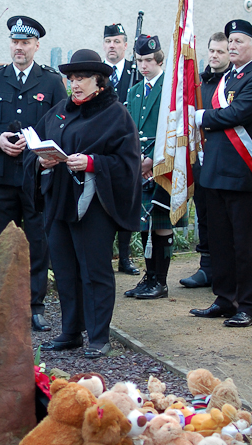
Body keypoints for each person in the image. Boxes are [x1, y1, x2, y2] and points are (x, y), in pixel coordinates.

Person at [23, 49, 142, 358]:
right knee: (63, 269)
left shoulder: (116, 115)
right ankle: (71, 332)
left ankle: (99, 336)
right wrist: (41, 163)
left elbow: (128, 163)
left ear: (99, 82)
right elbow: (34, 146)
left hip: (94, 207)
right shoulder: (59, 111)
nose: (74, 84)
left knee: (95, 271)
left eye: (81, 79)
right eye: (71, 78)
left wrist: (92, 162)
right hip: (59, 201)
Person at [0, 16, 67, 332]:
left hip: (37, 176)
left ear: (36, 45)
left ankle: (34, 306)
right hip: (1, 176)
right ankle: (2, 304)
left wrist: (39, 141)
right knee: (3, 242)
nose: (19, 48)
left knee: (38, 242)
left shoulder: (51, 82)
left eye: (25, 43)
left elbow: (63, 124)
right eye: (15, 42)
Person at [190, 20, 252, 329]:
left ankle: (247, 305)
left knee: (244, 245)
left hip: (241, 173)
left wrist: (203, 116)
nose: (232, 46)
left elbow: (237, 113)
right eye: (230, 40)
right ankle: (224, 298)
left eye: (239, 41)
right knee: (219, 242)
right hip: (215, 172)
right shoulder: (227, 78)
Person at [124, 34, 180, 300]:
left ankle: (161, 281)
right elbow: (131, 130)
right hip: (140, 166)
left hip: (163, 166)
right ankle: (149, 279)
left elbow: (173, 130)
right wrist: (136, 160)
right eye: (139, 60)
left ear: (159, 59)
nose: (143, 65)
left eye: (148, 60)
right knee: (145, 224)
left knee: (161, 223)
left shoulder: (171, 90)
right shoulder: (134, 91)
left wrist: (152, 160)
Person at [180, 32, 231, 289]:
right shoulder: (200, 83)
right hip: (201, 161)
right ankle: (207, 267)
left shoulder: (231, 84)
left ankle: (224, 271)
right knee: (203, 215)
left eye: (220, 51)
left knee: (224, 220)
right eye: (212, 50)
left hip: (226, 161)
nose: (214, 55)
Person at [103, 23, 140, 276]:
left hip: (127, 144)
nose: (112, 46)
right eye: (108, 41)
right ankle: (104, 255)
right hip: (103, 143)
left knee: (126, 200)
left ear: (126, 45)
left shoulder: (136, 72)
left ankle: (125, 257)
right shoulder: (98, 73)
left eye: (117, 41)